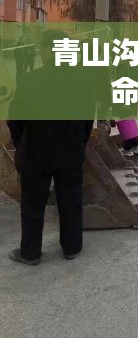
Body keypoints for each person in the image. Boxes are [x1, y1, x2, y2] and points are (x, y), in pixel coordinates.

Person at [7, 30, 100, 265]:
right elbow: (88, 118)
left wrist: (20, 143)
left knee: (33, 202)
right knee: (70, 199)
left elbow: (15, 117)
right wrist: (80, 142)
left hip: (36, 151)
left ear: (51, 51)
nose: (41, 51)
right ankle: (72, 247)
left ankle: (30, 252)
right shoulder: (84, 79)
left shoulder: (30, 80)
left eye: (43, 47)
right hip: (70, 150)